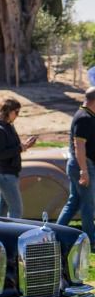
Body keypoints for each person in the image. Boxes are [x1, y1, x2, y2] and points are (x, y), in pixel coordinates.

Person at [0, 96, 36, 219]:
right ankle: (12, 237)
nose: (18, 115)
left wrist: (24, 145)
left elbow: (11, 147)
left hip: (8, 175)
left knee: (1, 214)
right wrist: (22, 148)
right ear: (8, 111)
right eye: (16, 112)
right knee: (16, 211)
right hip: (5, 176)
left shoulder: (7, 125)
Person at [59, 86, 95, 242]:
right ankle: (90, 239)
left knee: (74, 202)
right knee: (88, 204)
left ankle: (55, 232)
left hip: (81, 165)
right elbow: (79, 145)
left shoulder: (88, 115)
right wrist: (84, 171)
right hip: (82, 165)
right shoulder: (83, 118)